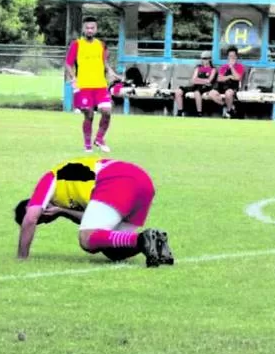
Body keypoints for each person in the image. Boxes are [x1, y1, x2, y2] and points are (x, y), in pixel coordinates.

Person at [15, 155, 175, 266]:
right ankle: (153, 244)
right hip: (142, 182)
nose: (46, 220)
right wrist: (62, 211)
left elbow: (30, 219)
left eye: (42, 220)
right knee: (114, 252)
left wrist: (22, 257)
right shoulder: (66, 196)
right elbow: (93, 219)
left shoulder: (50, 178)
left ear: (32, 204)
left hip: (115, 179)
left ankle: (142, 239)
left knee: (86, 239)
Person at [65, 15, 122, 152]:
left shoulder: (101, 45)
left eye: (92, 28)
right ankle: (87, 145)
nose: (90, 30)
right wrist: (74, 79)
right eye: (87, 28)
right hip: (84, 86)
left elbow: (104, 63)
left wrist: (112, 73)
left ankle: (99, 139)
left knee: (107, 112)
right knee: (89, 115)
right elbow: (68, 64)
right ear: (83, 29)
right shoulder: (76, 44)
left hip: (100, 86)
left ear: (96, 29)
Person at [205, 45, 246, 117]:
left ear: (236, 57)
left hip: (232, 87)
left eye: (233, 56)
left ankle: (229, 111)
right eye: (230, 56)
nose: (231, 58)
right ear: (227, 57)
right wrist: (229, 77)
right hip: (221, 86)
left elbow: (238, 78)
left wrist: (232, 67)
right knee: (211, 94)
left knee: (228, 93)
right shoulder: (223, 67)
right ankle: (226, 105)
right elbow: (219, 79)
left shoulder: (240, 66)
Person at [175, 51, 216, 117]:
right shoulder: (198, 67)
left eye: (205, 58)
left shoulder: (213, 69)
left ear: (210, 59)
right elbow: (193, 80)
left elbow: (209, 81)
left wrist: (198, 80)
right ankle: (180, 112)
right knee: (178, 91)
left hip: (205, 87)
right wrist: (203, 81)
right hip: (194, 86)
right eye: (202, 58)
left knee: (197, 92)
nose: (203, 60)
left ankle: (199, 113)